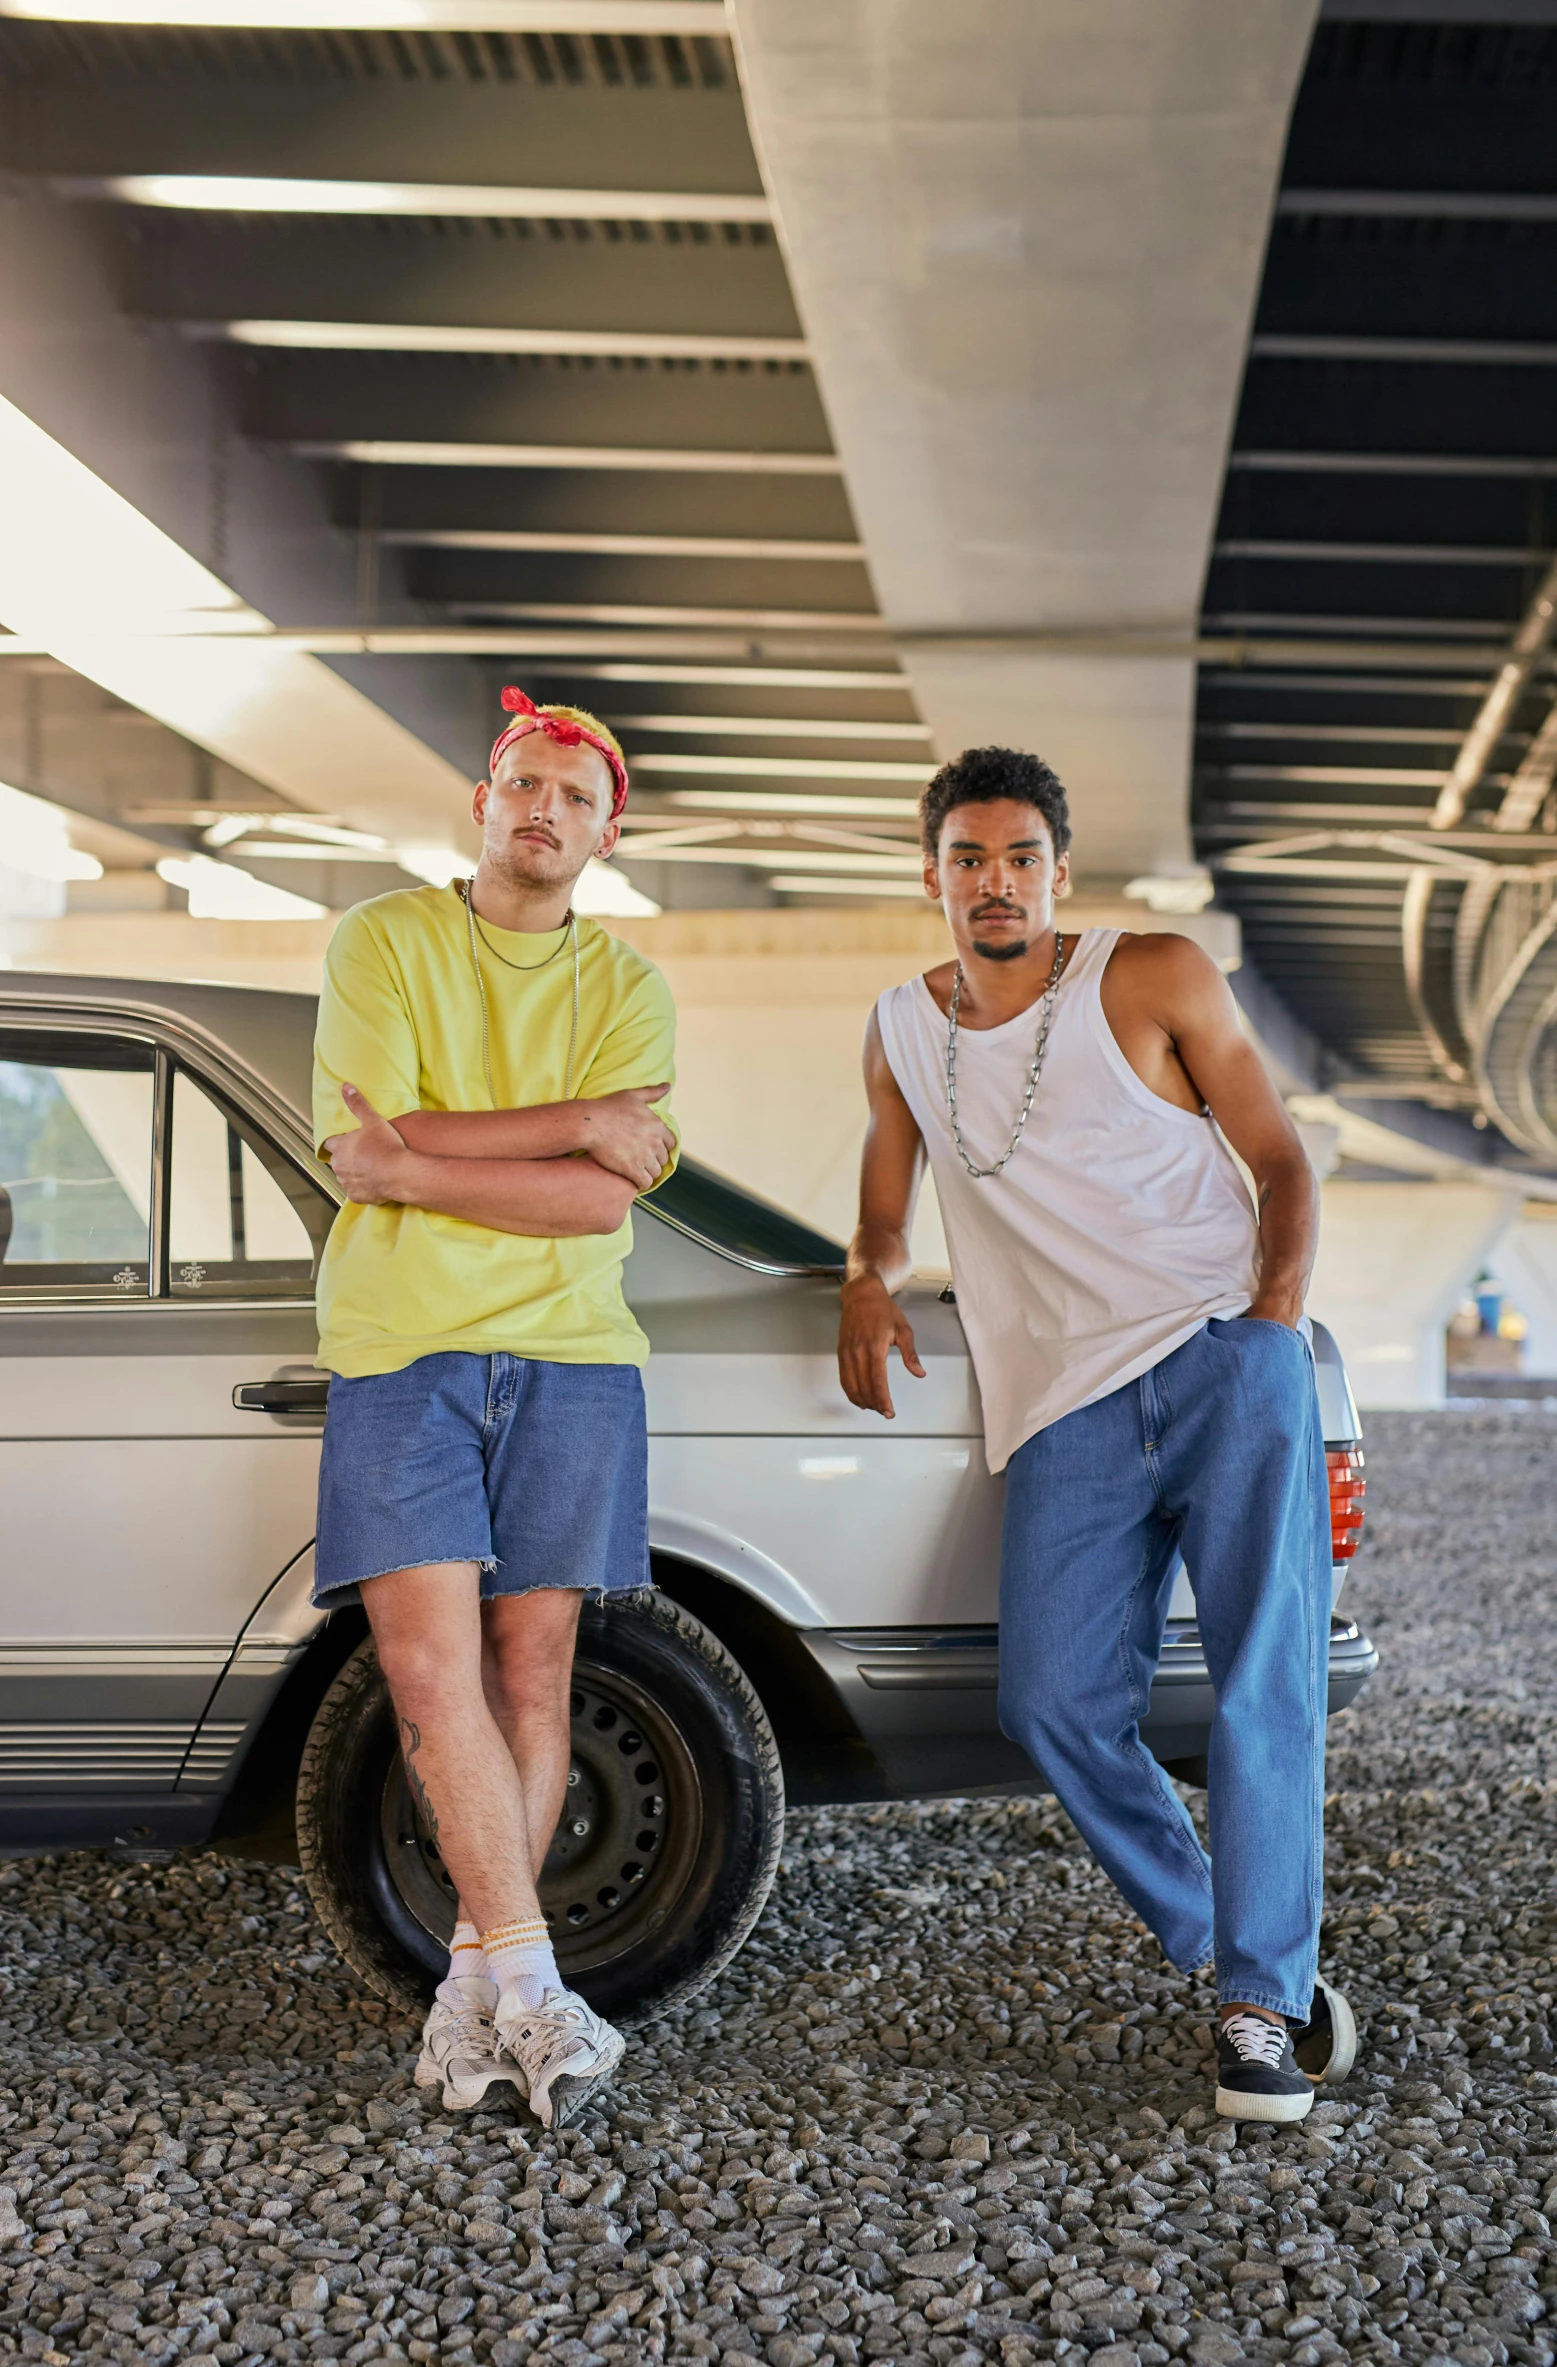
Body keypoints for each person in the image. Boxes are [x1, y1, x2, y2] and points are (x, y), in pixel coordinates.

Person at [836, 744, 1356, 2123]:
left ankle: (1256, 2004)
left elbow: (1282, 1157)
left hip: (1219, 1359)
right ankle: (1240, 1939)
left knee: (1261, 1680)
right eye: (967, 858)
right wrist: (867, 1274)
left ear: (1059, 871)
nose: (993, 882)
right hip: (1063, 1401)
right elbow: (888, 1193)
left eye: (1019, 858)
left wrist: (1272, 1325)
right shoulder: (899, 1026)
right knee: (1052, 1702)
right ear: (932, 874)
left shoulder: (1154, 972)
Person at [312, 687, 677, 2129]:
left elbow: (598, 1205)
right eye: (524, 784)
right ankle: (531, 1987)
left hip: (578, 1356)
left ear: (603, 830)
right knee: (424, 1676)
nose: (546, 812)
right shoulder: (385, 940)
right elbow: (360, 1145)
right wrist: (575, 1120)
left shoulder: (629, 987)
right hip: (403, 1348)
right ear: (482, 799)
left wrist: (424, 1168)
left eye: (575, 798)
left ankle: (478, 1987)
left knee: (534, 1677)